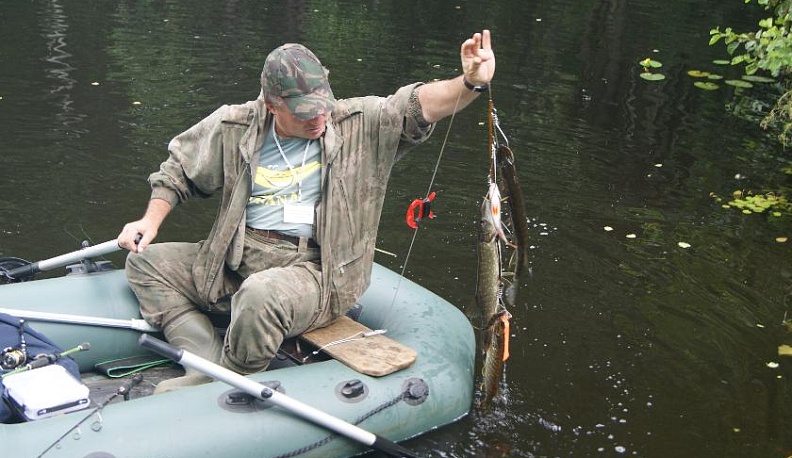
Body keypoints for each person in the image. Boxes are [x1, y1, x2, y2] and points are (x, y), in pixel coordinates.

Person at [117, 30, 496, 393]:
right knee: (144, 264)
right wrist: (150, 221)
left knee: (260, 296)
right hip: (237, 257)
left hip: (317, 272)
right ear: (271, 105)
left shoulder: (360, 124)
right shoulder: (235, 125)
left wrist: (469, 83)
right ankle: (206, 361)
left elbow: (417, 106)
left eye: (322, 107)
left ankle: (231, 379)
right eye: (304, 113)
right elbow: (179, 171)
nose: (318, 119)